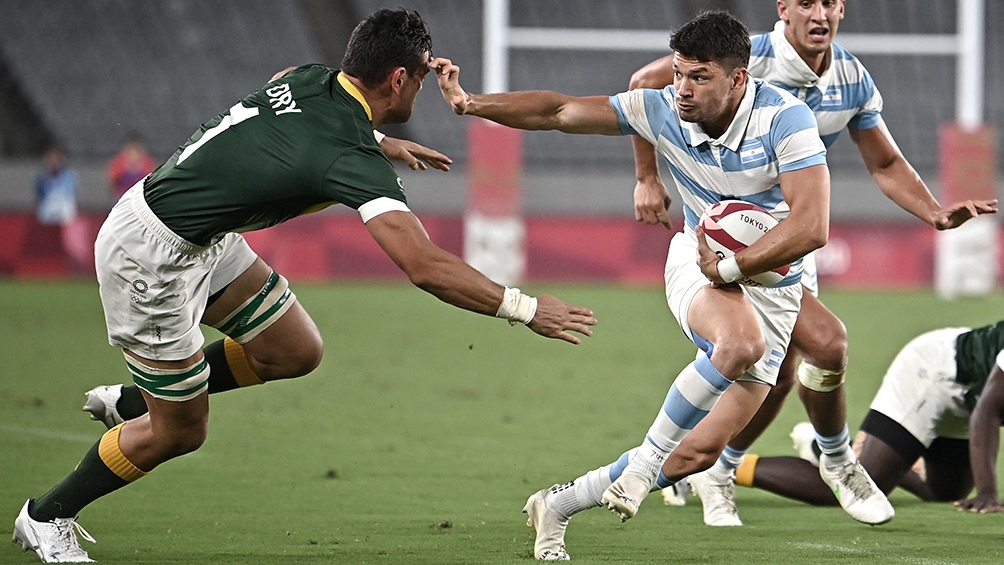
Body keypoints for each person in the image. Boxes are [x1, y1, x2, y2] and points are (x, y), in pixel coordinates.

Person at [11, 8, 597, 564]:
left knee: (294, 349)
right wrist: (526, 307)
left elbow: (280, 81)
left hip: (202, 234)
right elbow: (423, 266)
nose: (421, 90)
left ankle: (135, 399)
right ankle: (47, 514)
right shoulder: (343, 151)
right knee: (181, 431)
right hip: (150, 256)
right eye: (420, 78)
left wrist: (380, 141)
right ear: (398, 78)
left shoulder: (318, 79)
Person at [436, 9, 872, 560]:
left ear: (738, 79)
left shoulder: (785, 120)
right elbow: (559, 110)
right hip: (696, 256)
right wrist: (471, 103)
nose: (682, 90)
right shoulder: (661, 106)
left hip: (770, 283)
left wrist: (734, 268)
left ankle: (560, 503)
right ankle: (643, 464)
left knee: (698, 455)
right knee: (738, 343)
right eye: (680, 74)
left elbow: (812, 228)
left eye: (698, 78)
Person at [629, 0, 998, 527]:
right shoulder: (742, 60)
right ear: (783, 8)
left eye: (829, 2)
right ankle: (788, 462)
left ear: (842, 9)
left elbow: (886, 161)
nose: (819, 12)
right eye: (806, 2)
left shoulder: (852, 78)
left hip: (790, 240)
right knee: (802, 352)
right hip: (727, 235)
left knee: (797, 367)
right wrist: (648, 177)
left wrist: (933, 211)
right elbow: (645, 85)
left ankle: (734, 465)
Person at [733, 318, 1004, 515]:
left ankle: (825, 449)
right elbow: (986, 412)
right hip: (933, 374)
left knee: (947, 492)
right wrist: (988, 491)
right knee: (859, 488)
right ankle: (724, 466)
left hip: (966, 393)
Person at [107, 133, 157, 204]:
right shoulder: (118, 162)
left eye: (136, 149)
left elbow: (152, 181)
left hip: (141, 198)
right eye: (130, 149)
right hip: (122, 196)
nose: (133, 153)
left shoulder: (147, 162)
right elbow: (112, 182)